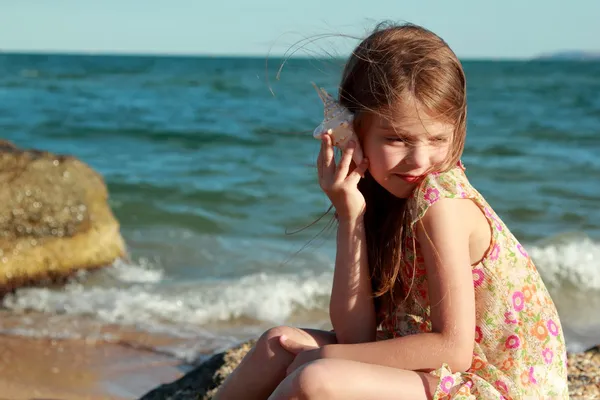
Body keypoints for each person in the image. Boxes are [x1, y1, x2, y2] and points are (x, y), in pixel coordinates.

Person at [214, 22, 569, 400]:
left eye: (436, 139)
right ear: (355, 131)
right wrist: (350, 214)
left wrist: (325, 355)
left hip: (496, 388)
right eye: (396, 139)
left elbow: (454, 350)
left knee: (314, 380)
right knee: (276, 346)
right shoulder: (383, 198)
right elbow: (358, 336)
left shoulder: (442, 205)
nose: (419, 159)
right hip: (442, 373)